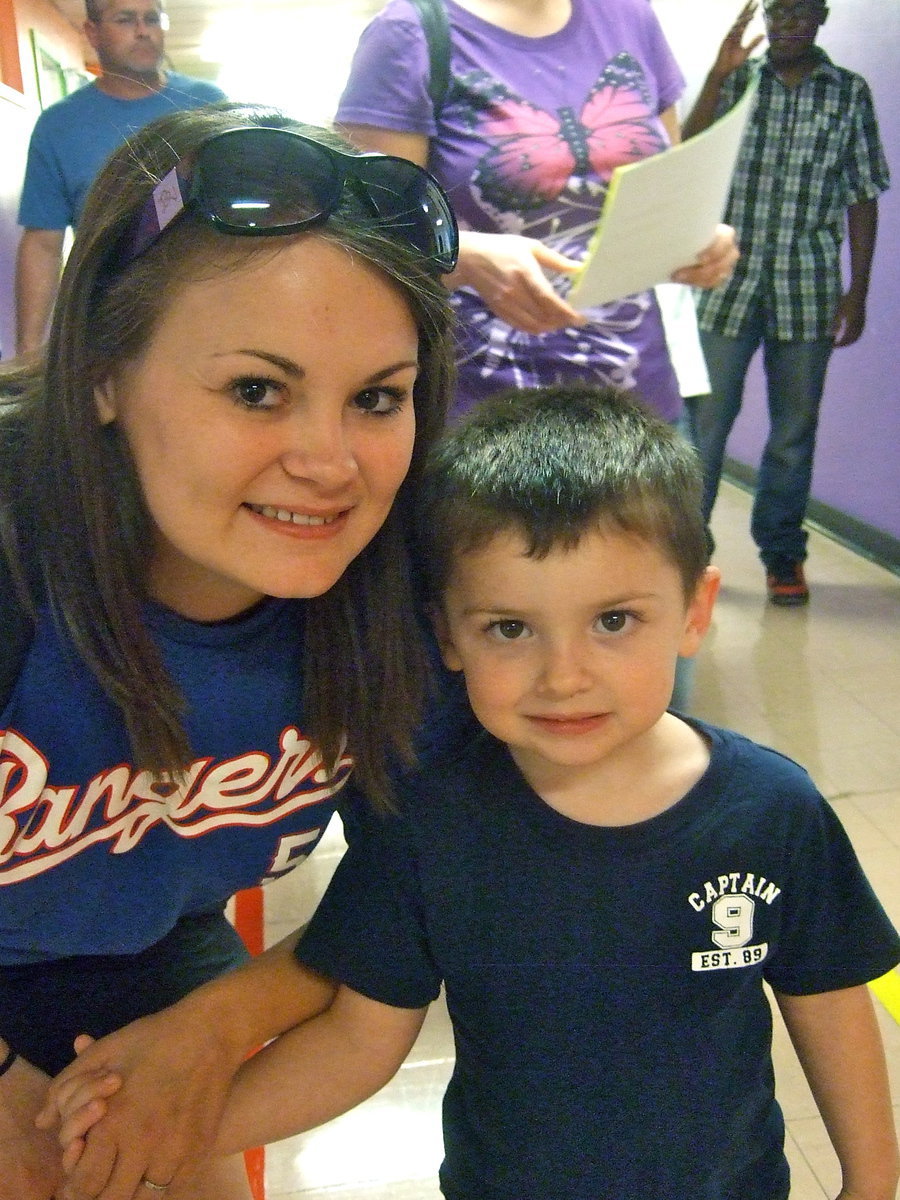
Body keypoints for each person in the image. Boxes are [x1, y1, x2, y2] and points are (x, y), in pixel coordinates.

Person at [56, 386, 900, 1198]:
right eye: (509, 628)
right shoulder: (429, 824)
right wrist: (166, 1132)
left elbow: (825, 1004)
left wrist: (870, 1183)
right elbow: (359, 1041)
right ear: (446, 637)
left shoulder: (772, 811)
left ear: (694, 610)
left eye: (613, 621)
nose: (563, 676)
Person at [0, 97, 462, 1200]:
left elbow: (415, 886)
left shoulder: (408, 578)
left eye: (377, 399)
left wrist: (215, 1030)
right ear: (103, 375)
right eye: (258, 390)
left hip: (149, 958)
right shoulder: (19, 546)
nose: (331, 462)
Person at [334, 0, 739, 422]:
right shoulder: (411, 31)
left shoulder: (629, 14)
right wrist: (465, 256)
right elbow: (363, 235)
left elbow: (669, 189)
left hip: (639, 397)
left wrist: (702, 239)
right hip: (485, 408)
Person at [682, 0, 890, 606]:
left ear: (822, 17)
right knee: (704, 428)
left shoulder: (848, 93)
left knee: (794, 431)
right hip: (728, 282)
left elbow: (863, 195)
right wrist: (718, 76)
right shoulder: (740, 81)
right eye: (780, 12)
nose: (790, 23)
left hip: (810, 288)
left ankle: (782, 554)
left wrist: (860, 288)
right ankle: (689, 557)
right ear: (766, 18)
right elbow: (685, 151)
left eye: (802, 12)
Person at [14, 0, 225, 356]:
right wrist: (29, 349)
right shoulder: (59, 126)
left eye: (152, 19)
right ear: (92, 32)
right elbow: (42, 244)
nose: (142, 30)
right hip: (109, 322)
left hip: (209, 309)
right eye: (125, 19)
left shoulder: (208, 105)